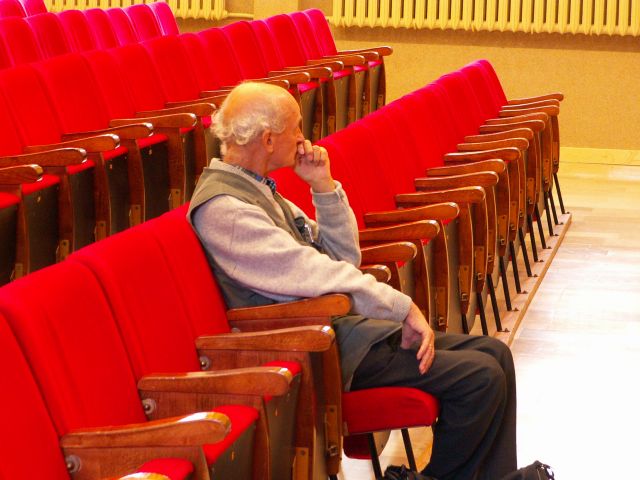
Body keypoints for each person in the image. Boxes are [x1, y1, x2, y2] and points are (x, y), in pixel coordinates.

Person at [187, 82, 517, 480]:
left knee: (495, 355)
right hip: (308, 348)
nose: (303, 137)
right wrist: (400, 306)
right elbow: (317, 274)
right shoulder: (227, 208)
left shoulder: (255, 189)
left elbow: (343, 259)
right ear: (269, 139)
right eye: (296, 127)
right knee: (480, 380)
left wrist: (323, 186)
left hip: (339, 331)